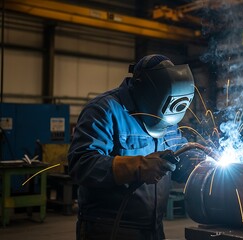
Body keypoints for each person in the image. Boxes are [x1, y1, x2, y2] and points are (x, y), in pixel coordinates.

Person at [68, 54, 195, 240]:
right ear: (146, 92)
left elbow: (178, 159)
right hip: (109, 229)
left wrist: (196, 163)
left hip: (153, 229)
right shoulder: (104, 110)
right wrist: (138, 167)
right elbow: (81, 164)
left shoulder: (167, 120)